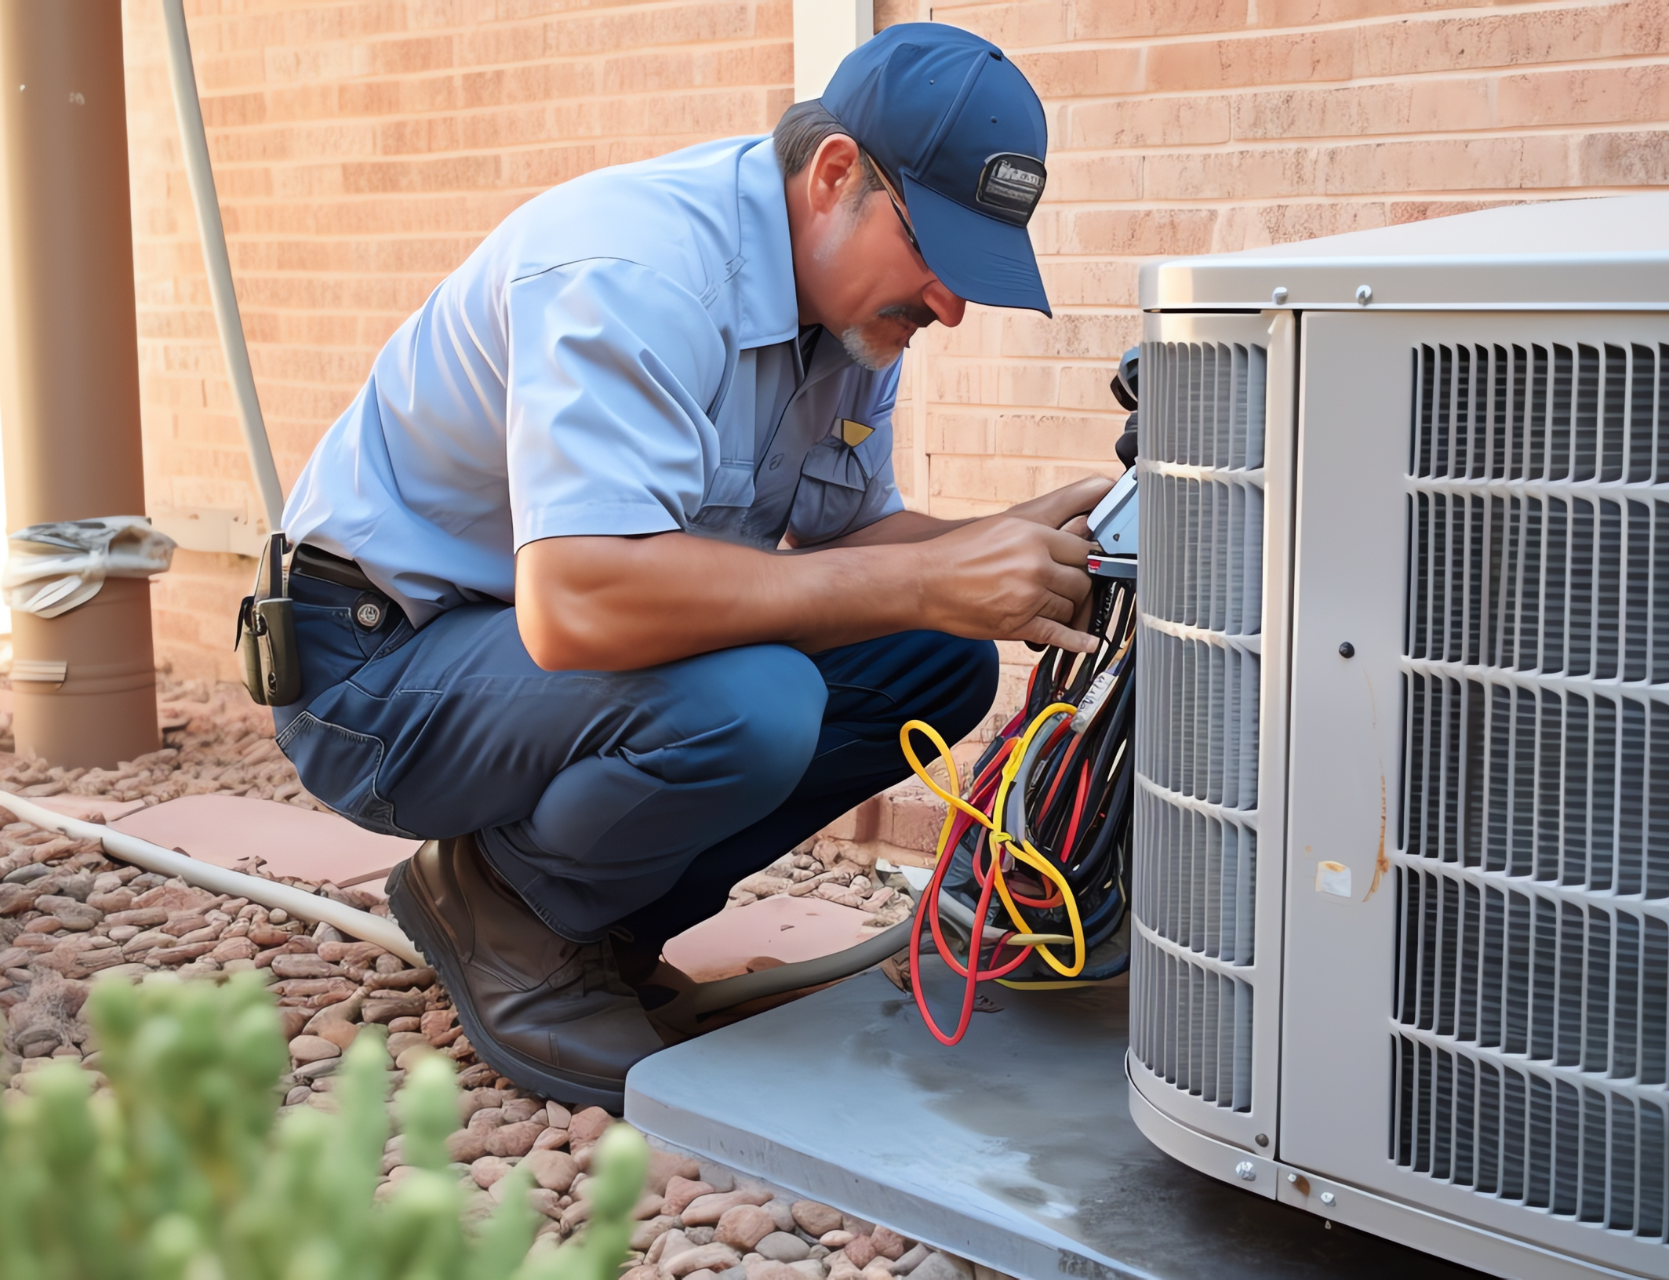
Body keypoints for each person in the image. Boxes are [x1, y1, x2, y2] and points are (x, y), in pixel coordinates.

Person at [269, 23, 1111, 1109]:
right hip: (377, 668)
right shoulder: (637, 268)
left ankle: (604, 919)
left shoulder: (851, 322)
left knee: (934, 658)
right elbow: (581, 604)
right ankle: (509, 906)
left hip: (530, 661)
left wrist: (1004, 541)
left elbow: (843, 550)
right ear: (835, 174)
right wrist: (922, 578)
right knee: (752, 702)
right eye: (934, 252)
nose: (949, 303)